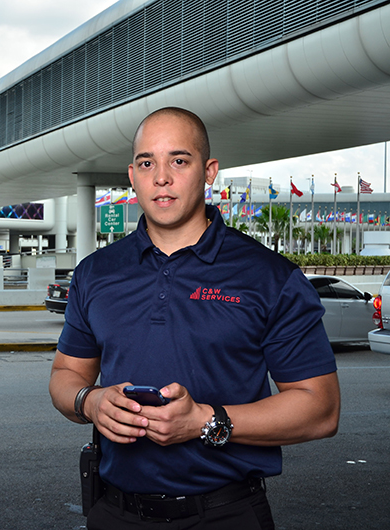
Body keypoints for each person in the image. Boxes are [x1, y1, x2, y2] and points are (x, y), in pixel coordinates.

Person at [49, 107, 340, 529]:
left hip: (224, 514)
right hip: (115, 513)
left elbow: (321, 409)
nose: (161, 177)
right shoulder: (96, 273)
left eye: (179, 161)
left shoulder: (270, 277)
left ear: (209, 171)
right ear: (132, 175)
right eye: (147, 163)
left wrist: (205, 421)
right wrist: (90, 402)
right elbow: (65, 374)